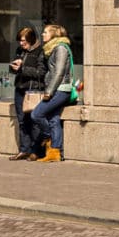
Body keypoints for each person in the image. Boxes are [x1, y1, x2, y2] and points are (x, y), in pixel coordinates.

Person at [31, 24, 75, 163]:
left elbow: (59, 72)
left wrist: (49, 91)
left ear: (54, 34)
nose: (42, 34)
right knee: (53, 119)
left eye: (45, 32)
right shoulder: (53, 49)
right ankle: (54, 152)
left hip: (60, 89)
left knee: (36, 114)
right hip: (57, 88)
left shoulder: (61, 48)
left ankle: (47, 136)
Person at [8, 27, 47, 161]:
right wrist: (14, 66)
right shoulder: (20, 50)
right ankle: (24, 150)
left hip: (33, 90)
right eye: (20, 41)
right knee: (22, 121)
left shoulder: (40, 51)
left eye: (24, 41)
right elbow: (14, 70)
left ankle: (36, 151)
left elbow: (41, 72)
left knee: (35, 121)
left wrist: (22, 68)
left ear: (31, 39)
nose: (21, 43)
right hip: (20, 88)